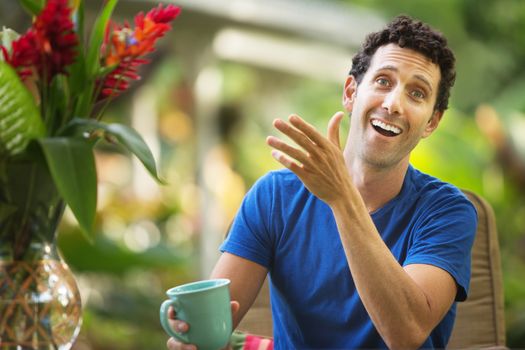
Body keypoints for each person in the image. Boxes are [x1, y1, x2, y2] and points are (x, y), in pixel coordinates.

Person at [167, 15, 477, 349]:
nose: (393, 104)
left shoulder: (448, 211)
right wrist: (192, 339)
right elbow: (214, 322)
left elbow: (406, 333)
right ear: (351, 92)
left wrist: (342, 198)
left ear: (432, 121)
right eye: (384, 82)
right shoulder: (275, 197)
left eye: (417, 93)